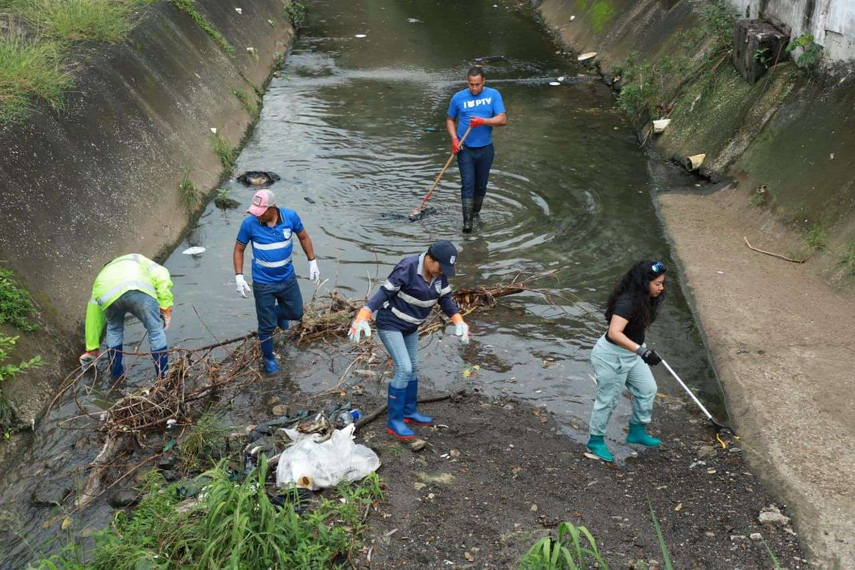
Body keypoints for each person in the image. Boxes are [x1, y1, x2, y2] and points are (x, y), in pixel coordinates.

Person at [347, 241, 471, 440]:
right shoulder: (407, 267)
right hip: (391, 324)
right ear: (430, 259)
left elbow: (445, 300)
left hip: (411, 327)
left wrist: (459, 321)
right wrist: (363, 315)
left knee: (413, 368)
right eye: (441, 267)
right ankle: (394, 422)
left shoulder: (440, 275)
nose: (442, 272)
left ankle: (408, 412)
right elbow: (383, 293)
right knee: (404, 369)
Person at [586, 260, 668, 462]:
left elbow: (635, 329)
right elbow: (614, 333)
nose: (661, 288)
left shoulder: (645, 298)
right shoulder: (627, 302)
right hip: (611, 357)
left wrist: (641, 351)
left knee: (647, 389)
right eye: (657, 283)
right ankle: (595, 441)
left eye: (662, 283)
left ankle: (637, 431)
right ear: (644, 282)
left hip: (631, 355)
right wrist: (643, 351)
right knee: (608, 400)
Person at [233, 189, 320, 373]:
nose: (257, 216)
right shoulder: (249, 224)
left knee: (296, 312)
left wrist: (312, 261)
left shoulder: (290, 217)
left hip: (287, 278)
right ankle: (269, 358)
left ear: (271, 208)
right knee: (266, 327)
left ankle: (277, 315)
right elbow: (239, 249)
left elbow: (303, 237)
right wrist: (239, 276)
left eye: (260, 212)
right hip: (263, 283)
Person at [78, 254, 174, 379]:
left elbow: (93, 314)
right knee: (155, 330)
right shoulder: (137, 258)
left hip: (107, 295)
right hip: (137, 289)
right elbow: (162, 275)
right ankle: (163, 377)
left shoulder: (102, 276)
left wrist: (92, 348)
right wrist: (165, 307)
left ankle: (116, 376)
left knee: (114, 328)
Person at [446, 66, 507, 233]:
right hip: (464, 149)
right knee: (467, 185)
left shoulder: (493, 95)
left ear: (484, 82)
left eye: (477, 84)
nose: (474, 88)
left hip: (486, 149)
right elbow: (450, 119)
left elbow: (502, 119)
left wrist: (483, 121)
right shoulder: (458, 98)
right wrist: (454, 139)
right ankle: (467, 224)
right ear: (467, 82)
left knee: (481, 186)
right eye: (471, 84)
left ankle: (475, 213)